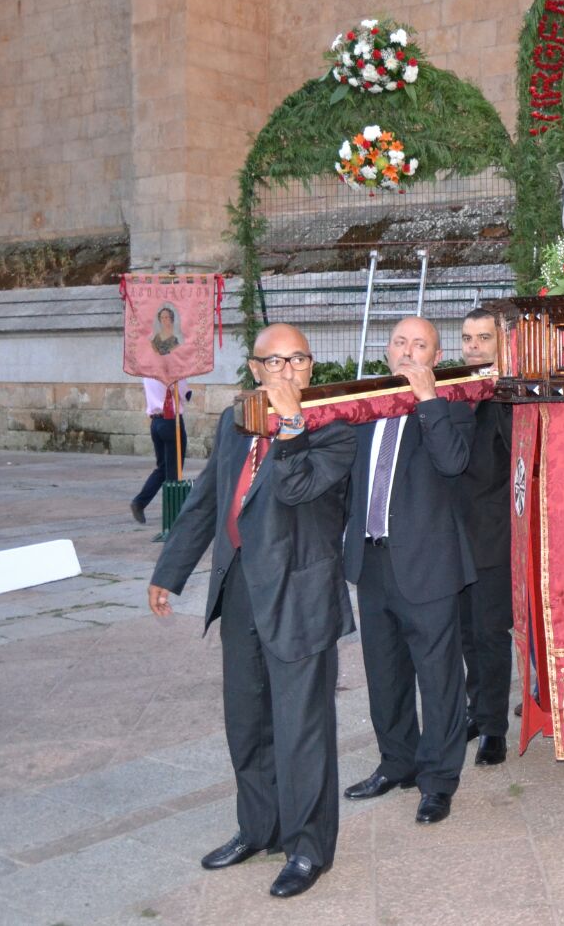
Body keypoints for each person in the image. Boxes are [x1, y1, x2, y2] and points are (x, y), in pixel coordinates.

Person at [147, 323, 354, 900]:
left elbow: (297, 488)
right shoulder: (234, 422)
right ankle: (258, 828)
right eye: (276, 362)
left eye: (300, 360)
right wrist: (170, 570)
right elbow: (209, 500)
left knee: (303, 729)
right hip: (240, 590)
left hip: (300, 595)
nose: (289, 372)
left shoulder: (336, 426)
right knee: (248, 723)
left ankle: (308, 849)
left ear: (312, 368)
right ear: (256, 370)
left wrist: (291, 427)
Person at [341, 317, 476, 825]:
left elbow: (452, 464)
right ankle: (395, 762)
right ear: (386, 349)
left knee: (438, 679)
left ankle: (437, 781)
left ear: (436, 357)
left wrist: (427, 401)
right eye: (400, 342)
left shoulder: (454, 406)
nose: (407, 352)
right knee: (384, 673)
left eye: (420, 345)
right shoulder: (365, 406)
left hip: (428, 565)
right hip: (372, 561)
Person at [458, 307, 515, 766]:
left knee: (490, 632)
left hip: (492, 533)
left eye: (483, 338)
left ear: (502, 343)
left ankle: (494, 728)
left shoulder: (506, 396)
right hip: (451, 533)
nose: (474, 346)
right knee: (463, 634)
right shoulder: (454, 391)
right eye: (467, 338)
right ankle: (477, 711)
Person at [131, 377, 191, 525]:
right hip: (171, 421)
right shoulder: (174, 371)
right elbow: (185, 394)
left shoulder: (147, 372)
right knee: (173, 470)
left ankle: (140, 502)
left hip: (156, 422)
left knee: (163, 468)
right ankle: (173, 514)